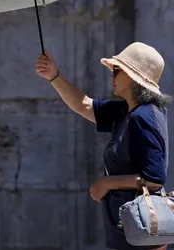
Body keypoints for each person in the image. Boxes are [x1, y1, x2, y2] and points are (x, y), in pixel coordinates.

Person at [35, 42, 171, 250]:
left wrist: (107, 183)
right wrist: (54, 76)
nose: (111, 75)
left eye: (116, 70)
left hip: (140, 237)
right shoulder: (127, 111)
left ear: (134, 78)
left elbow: (154, 179)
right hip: (129, 232)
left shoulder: (145, 117)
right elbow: (84, 105)